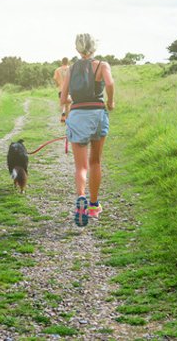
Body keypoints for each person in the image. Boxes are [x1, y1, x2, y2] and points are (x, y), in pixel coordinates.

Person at [60, 34, 115, 227]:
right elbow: (109, 84)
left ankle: (80, 199)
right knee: (95, 162)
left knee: (80, 167)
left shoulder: (71, 69)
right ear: (94, 48)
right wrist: (110, 101)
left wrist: (70, 102)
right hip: (98, 114)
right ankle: (93, 206)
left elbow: (63, 98)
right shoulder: (102, 66)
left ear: (77, 50)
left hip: (77, 115)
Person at [53, 57, 71, 123]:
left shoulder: (58, 70)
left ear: (62, 62)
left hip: (61, 88)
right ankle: (67, 119)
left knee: (62, 104)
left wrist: (58, 84)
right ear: (68, 62)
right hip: (69, 89)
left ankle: (62, 113)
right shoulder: (70, 68)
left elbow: (54, 78)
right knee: (68, 105)